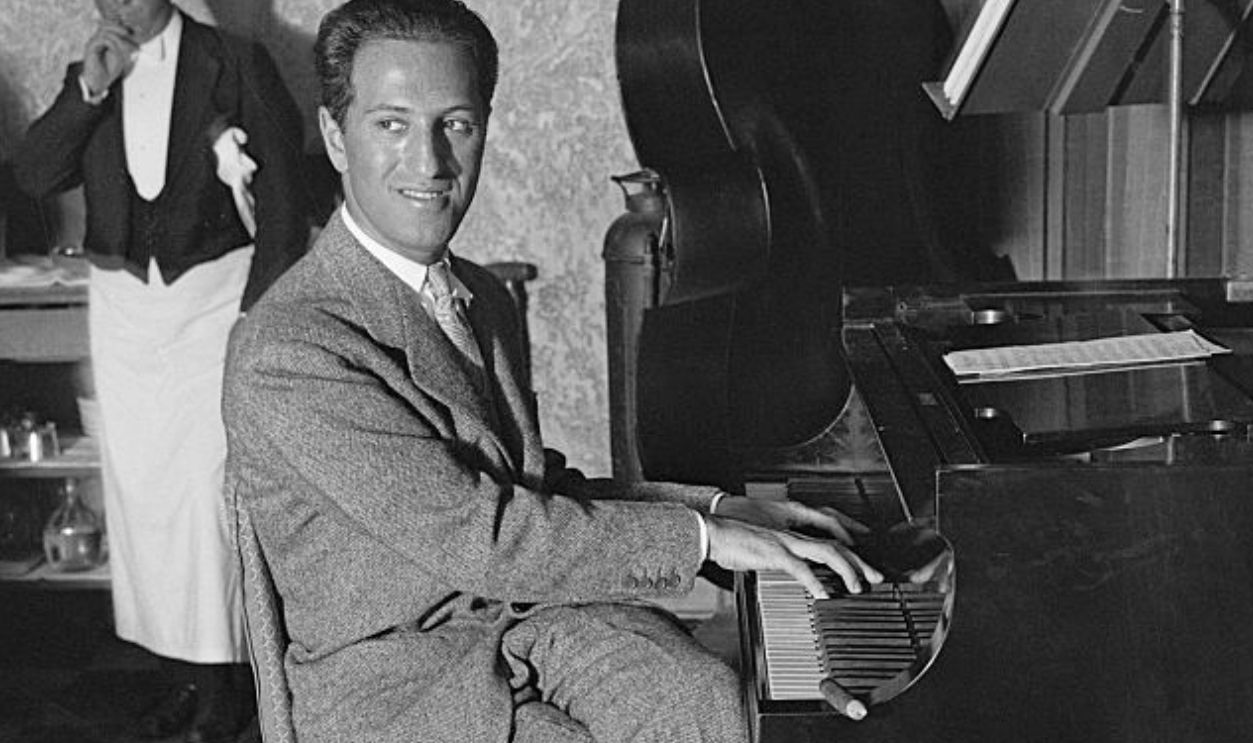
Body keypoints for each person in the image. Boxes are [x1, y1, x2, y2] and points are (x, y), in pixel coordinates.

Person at [221, 0, 882, 741]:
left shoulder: (481, 293)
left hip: (526, 623)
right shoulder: (292, 350)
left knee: (701, 698)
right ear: (335, 137)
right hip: (397, 687)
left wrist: (722, 512)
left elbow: (534, 491)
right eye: (392, 124)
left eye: (456, 124)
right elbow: (489, 536)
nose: (430, 162)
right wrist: (698, 540)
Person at [12, 1, 312, 741]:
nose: (116, 3)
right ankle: (180, 675)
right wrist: (86, 90)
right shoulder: (93, 71)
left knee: (207, 497)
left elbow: (283, 199)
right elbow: (35, 173)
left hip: (214, 301)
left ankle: (232, 683)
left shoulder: (235, 61)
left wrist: (259, 312)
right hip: (125, 308)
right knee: (144, 503)